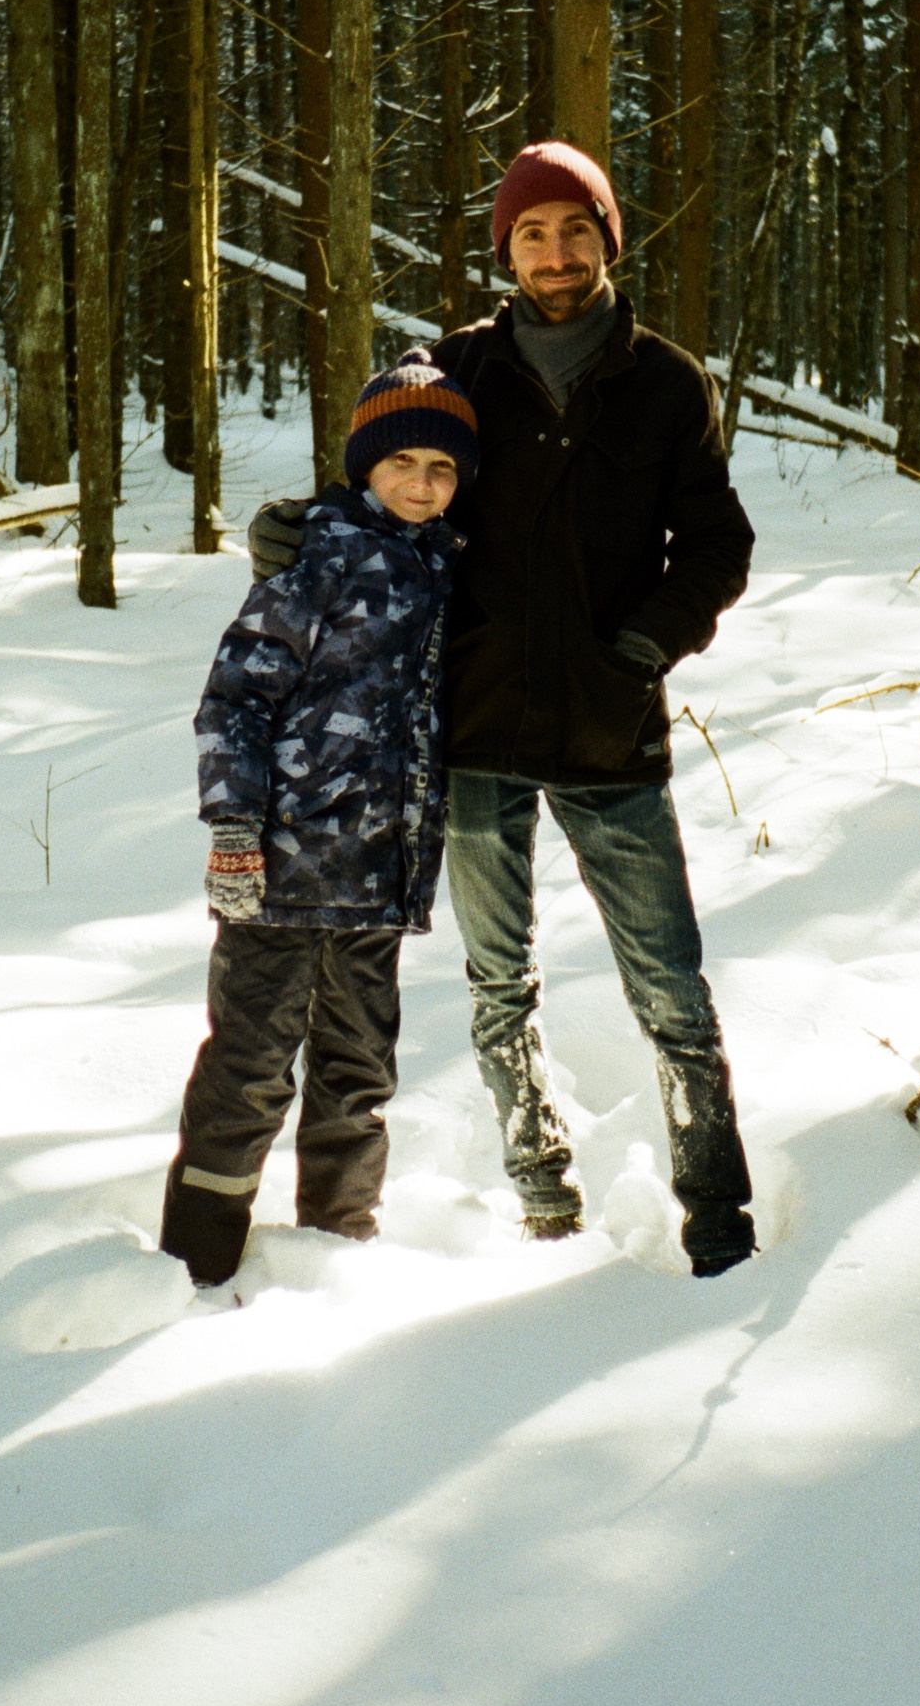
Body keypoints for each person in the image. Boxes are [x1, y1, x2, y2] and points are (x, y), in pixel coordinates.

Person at [252, 140, 758, 1278]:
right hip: (473, 730)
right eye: (531, 233)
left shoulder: (667, 382)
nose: (554, 252)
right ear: (504, 249)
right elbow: (391, 484)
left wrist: (638, 648)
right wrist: (296, 533)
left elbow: (715, 544)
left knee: (669, 981)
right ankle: (543, 1200)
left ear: (607, 237)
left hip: (607, 729)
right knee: (496, 983)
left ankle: (716, 1213)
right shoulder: (460, 373)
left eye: (574, 228)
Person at [160, 354, 478, 1289]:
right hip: (282, 872)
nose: (421, 485)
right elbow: (233, 703)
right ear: (363, 465)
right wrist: (232, 830)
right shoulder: (318, 562)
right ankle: (197, 1259)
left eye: (442, 469)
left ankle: (337, 1253)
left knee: (358, 1073)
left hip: (380, 879)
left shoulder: (448, 570)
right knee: (251, 1066)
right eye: (402, 464)